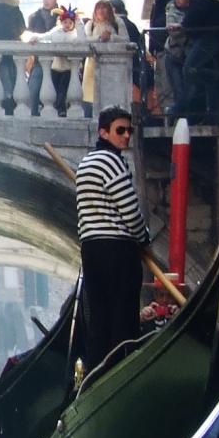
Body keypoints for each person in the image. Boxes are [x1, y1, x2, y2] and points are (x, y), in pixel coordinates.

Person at [75, 106, 150, 376]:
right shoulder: (112, 162)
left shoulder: (85, 163)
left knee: (99, 320)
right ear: (103, 132)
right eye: (120, 130)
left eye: (129, 130)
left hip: (91, 249)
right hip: (118, 249)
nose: (127, 136)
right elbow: (129, 209)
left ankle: (97, 376)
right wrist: (144, 238)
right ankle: (121, 373)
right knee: (123, 319)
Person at [171, 0, 219, 124]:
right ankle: (213, 118)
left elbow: (201, 7)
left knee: (190, 70)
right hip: (217, 33)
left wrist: (184, 24)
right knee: (212, 76)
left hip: (210, 35)